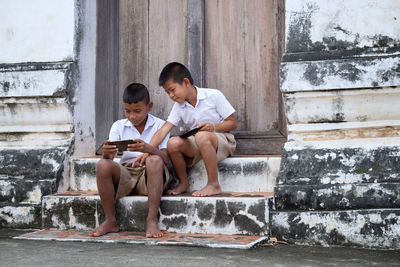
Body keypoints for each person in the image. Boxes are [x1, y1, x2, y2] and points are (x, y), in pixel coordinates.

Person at [134, 62, 237, 197]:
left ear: (186, 82)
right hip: (200, 143)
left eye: (172, 89)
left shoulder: (213, 95)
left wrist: (213, 127)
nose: (171, 95)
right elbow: (163, 131)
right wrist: (147, 150)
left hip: (223, 140)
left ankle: (213, 184)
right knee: (172, 142)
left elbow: (233, 123)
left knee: (202, 136)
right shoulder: (179, 105)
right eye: (167, 92)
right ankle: (184, 183)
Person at [90, 83, 170, 238]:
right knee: (102, 164)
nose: (132, 116)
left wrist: (148, 149)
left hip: (151, 173)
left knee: (154, 160)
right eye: (127, 111)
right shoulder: (118, 126)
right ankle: (110, 221)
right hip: (126, 173)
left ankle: (151, 220)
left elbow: (166, 158)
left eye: (138, 111)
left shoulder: (160, 125)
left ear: (149, 106)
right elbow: (110, 159)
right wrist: (106, 154)